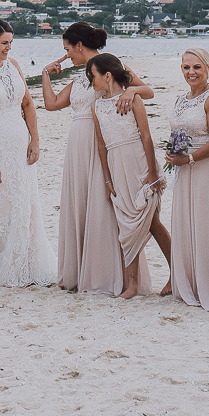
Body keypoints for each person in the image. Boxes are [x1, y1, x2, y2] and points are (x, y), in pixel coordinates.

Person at [40, 22, 152, 291]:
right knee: (80, 202)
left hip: (101, 140)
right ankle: (79, 272)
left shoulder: (110, 67)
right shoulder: (82, 77)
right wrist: (46, 73)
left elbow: (146, 90)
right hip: (77, 143)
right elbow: (52, 103)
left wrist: (131, 90)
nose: (67, 55)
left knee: (103, 205)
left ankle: (106, 273)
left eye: (67, 49)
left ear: (80, 45)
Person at [0, 18, 58, 287]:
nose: (9, 48)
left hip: (21, 146)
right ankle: (4, 267)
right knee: (3, 206)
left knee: (28, 203)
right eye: (4, 43)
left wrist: (35, 141)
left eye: (11, 42)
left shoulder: (14, 65)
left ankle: (28, 266)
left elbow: (28, 103)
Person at [85, 53, 163, 300]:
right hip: (116, 166)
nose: (91, 83)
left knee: (151, 222)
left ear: (107, 76)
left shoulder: (133, 99)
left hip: (139, 162)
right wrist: (107, 180)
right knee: (125, 225)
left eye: (93, 77)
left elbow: (146, 136)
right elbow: (101, 145)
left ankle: (177, 273)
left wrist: (152, 172)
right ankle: (131, 284)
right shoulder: (96, 105)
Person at [161, 46, 209, 309]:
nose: (191, 72)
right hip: (183, 169)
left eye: (197, 67)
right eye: (186, 67)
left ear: (208, 69)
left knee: (205, 225)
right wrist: (173, 151)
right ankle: (188, 281)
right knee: (186, 224)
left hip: (205, 168)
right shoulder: (180, 99)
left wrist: (189, 159)